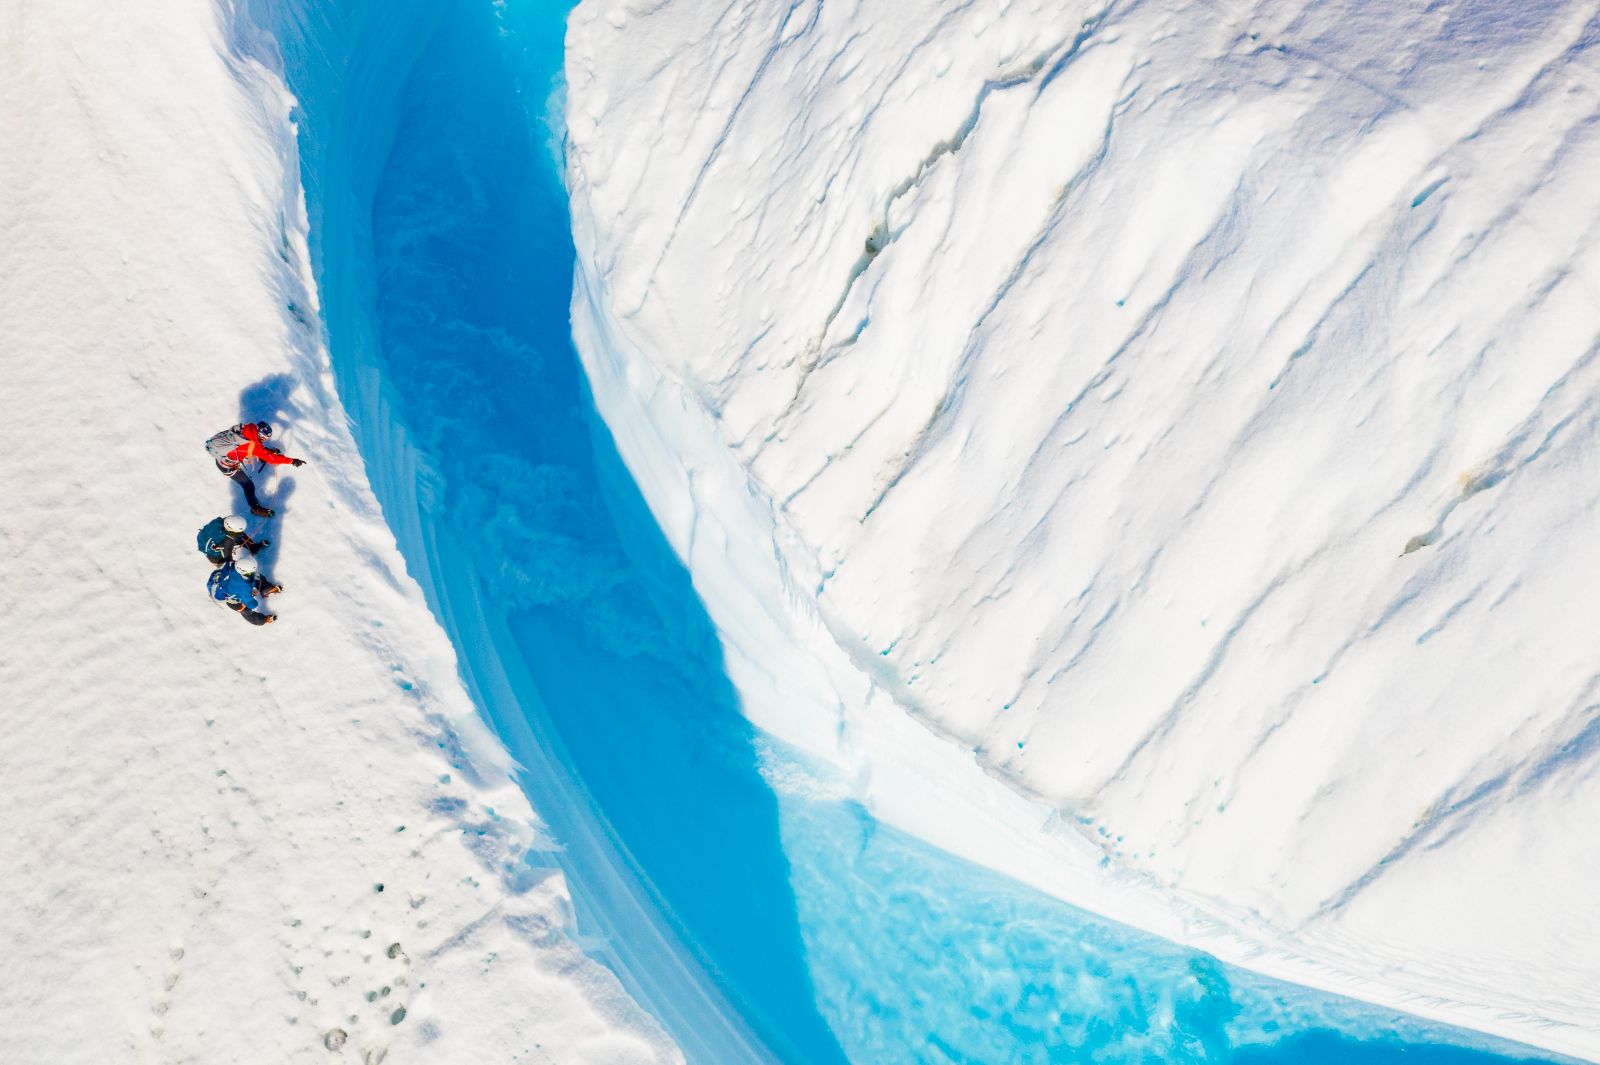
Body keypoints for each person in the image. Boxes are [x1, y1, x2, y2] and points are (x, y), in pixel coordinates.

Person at [205, 421, 306, 518]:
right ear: (261, 435)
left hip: (224, 456)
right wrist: (292, 461)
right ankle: (255, 508)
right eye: (265, 438)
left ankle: (261, 456)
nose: (265, 440)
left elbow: (253, 448)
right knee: (248, 486)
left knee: (253, 451)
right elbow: (272, 458)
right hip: (227, 467)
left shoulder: (245, 429)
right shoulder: (253, 446)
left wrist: (264, 452)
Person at [207, 549, 282, 626]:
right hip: (234, 602)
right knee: (247, 612)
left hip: (227, 588)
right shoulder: (245, 588)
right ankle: (262, 620)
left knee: (257, 577)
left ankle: (266, 589)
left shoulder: (232, 566)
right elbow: (252, 604)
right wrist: (253, 595)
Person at [196, 514, 269, 568]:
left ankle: (253, 548)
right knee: (219, 560)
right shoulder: (223, 540)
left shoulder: (221, 522)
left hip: (209, 537)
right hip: (211, 551)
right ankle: (219, 564)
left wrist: (242, 536)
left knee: (239, 538)